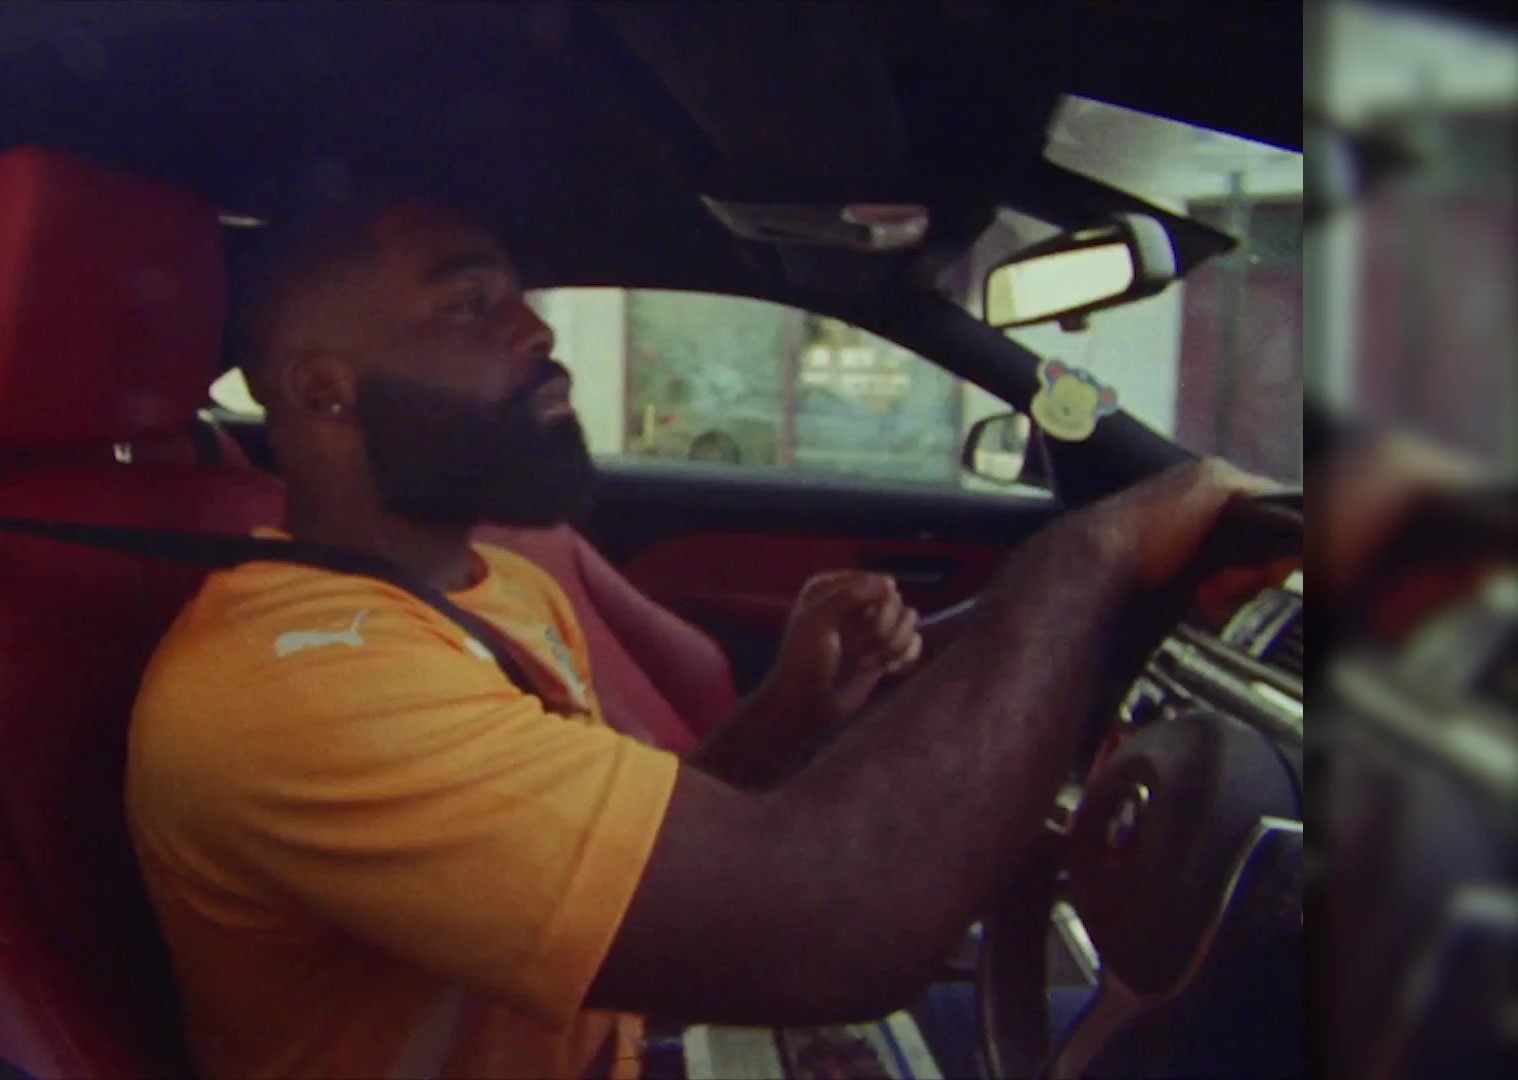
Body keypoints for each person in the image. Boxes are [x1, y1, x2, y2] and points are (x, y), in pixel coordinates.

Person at [125, 195, 1275, 1080]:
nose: (538, 330)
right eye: (471, 306)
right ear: (324, 391)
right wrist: (1095, 554)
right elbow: (830, 931)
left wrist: (793, 714)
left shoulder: (492, 583)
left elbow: (619, 868)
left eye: (521, 296)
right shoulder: (298, 688)